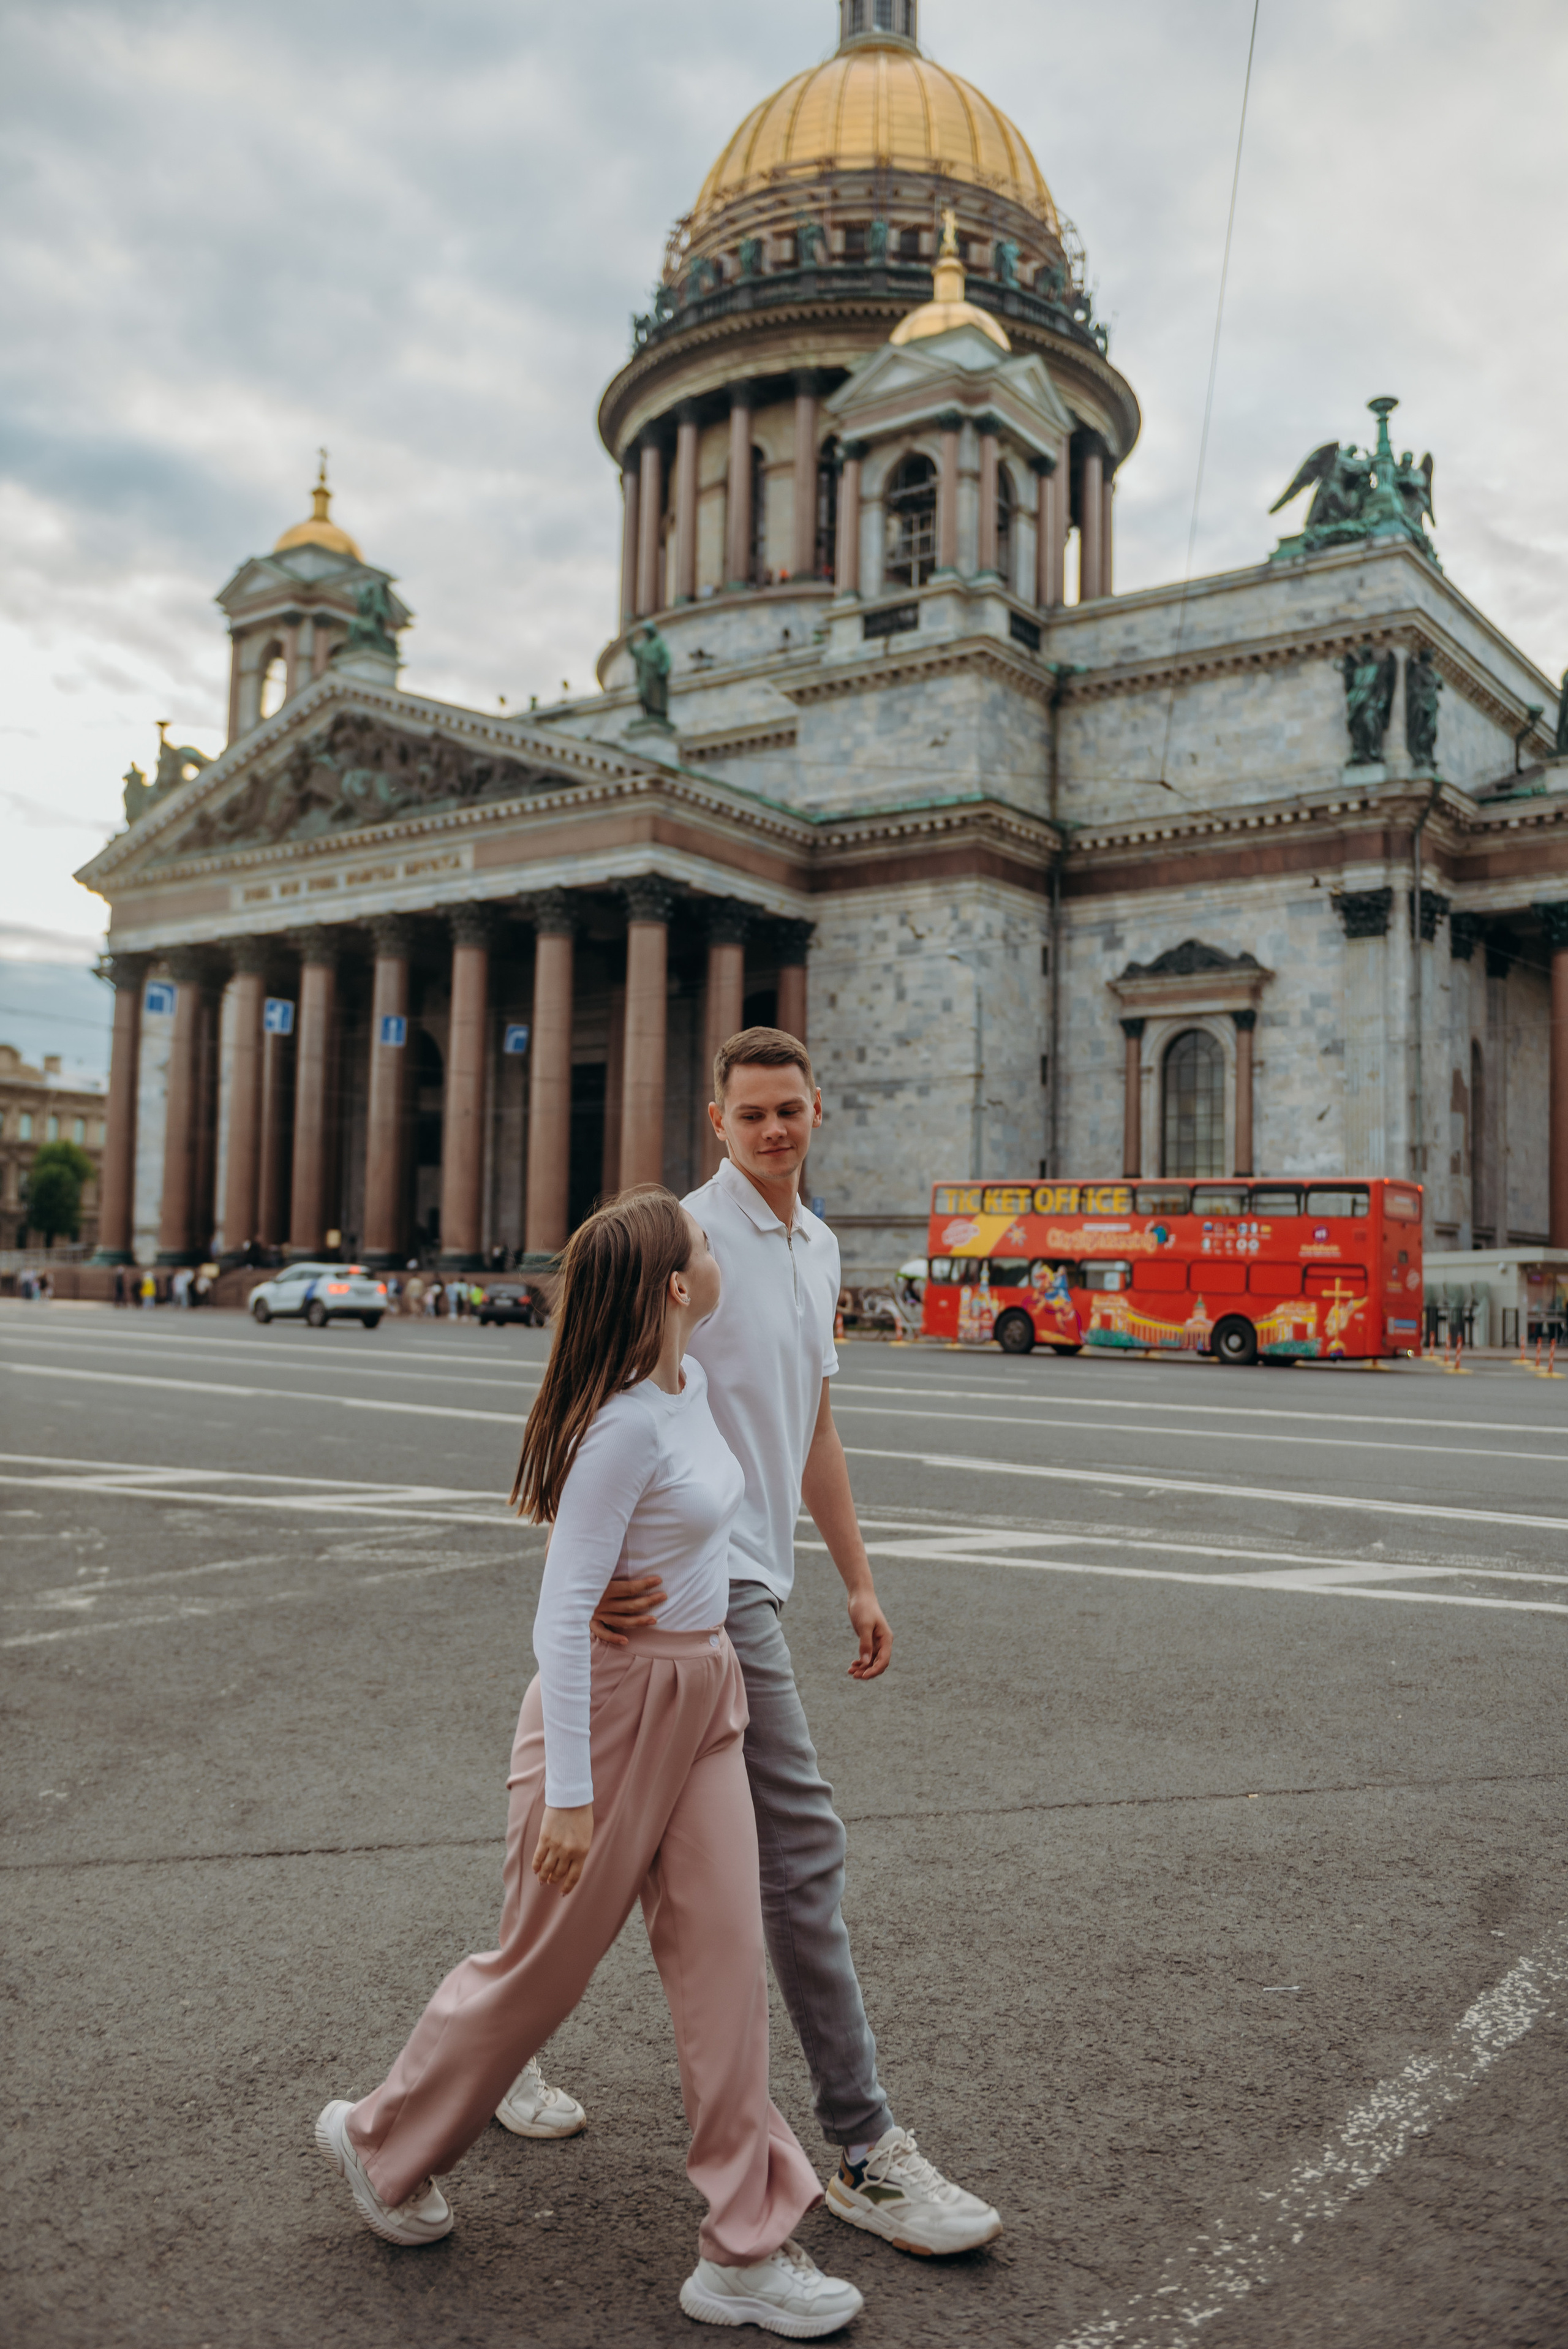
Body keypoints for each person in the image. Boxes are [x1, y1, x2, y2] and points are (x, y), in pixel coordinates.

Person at [315, 1186, 864, 2338]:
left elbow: (709, 1485)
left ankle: (744, 2249)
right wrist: (570, 1791)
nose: (717, 1252)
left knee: (725, 1971)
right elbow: (561, 1620)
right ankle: (378, 2137)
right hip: (610, 1716)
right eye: (704, 1247)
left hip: (706, 1693)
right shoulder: (622, 1426)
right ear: (676, 1288)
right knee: (540, 1972)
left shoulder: (689, 1381)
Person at [592, 1029, 1001, 2258]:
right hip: (701, 1589)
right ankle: (866, 2146)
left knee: (607, 1844)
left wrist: (859, 1581)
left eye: (790, 1111)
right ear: (713, 1120)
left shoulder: (819, 1247)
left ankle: (484, 2049)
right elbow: (593, 1398)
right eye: (750, 1114)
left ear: (817, 1111)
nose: (773, 1131)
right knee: (801, 1843)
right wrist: (598, 1561)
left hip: (762, 1573)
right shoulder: (677, 1244)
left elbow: (812, 1430)